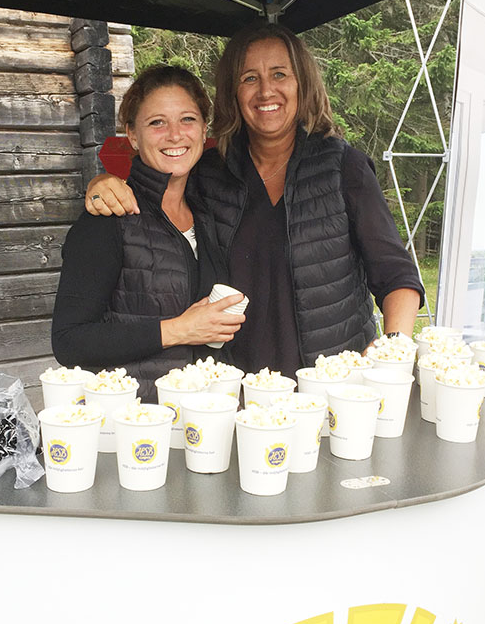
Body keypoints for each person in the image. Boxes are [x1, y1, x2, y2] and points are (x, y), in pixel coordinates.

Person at [85, 24, 424, 379]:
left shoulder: (342, 168)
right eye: (249, 78)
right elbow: (155, 188)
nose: (266, 91)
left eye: (280, 74)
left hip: (331, 386)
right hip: (235, 388)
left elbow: (395, 273)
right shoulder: (209, 172)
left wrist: (394, 343)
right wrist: (102, 182)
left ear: (301, 83)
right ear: (233, 91)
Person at [52, 65, 245, 401]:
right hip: (134, 423)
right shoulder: (109, 217)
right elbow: (69, 341)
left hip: (202, 419)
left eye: (188, 119)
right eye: (157, 122)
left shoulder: (209, 212)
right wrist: (178, 330)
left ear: (203, 130)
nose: (174, 135)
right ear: (133, 135)